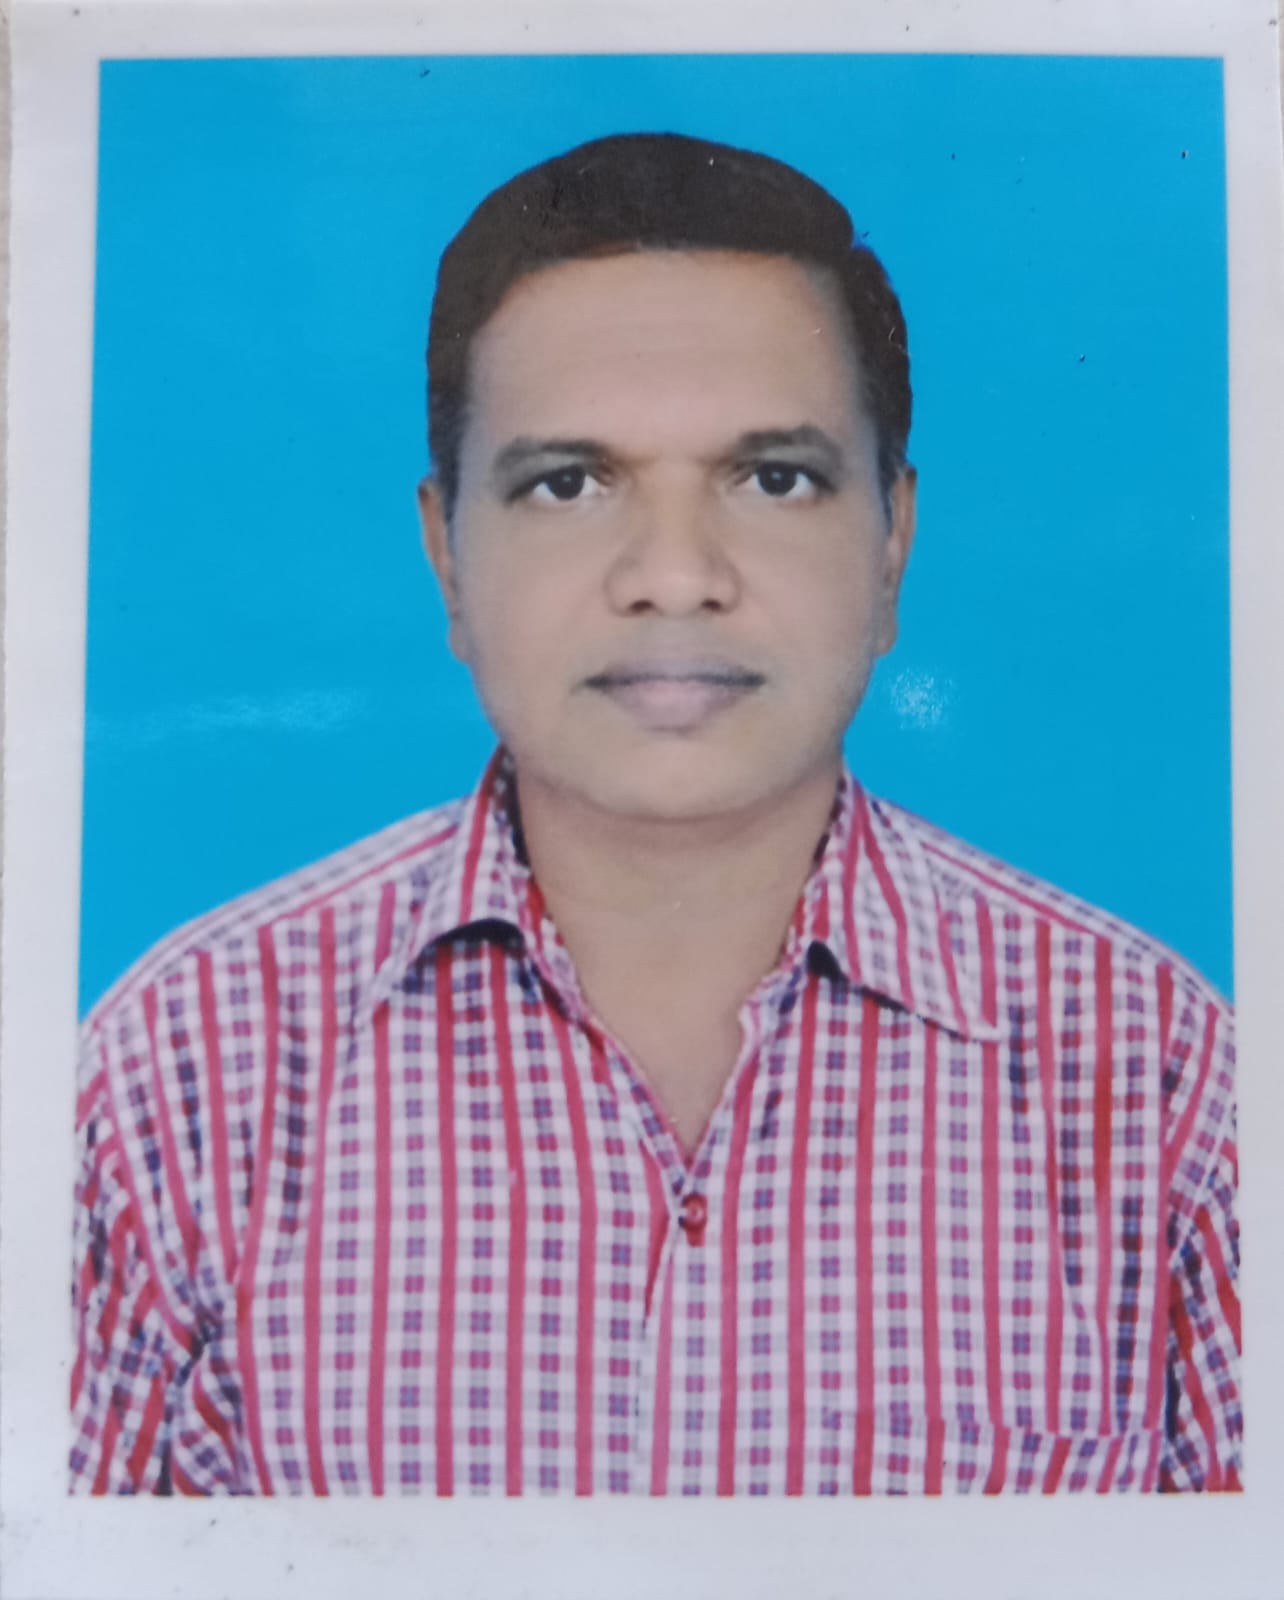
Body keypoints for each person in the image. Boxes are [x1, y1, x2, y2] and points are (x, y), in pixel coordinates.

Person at [70, 132, 1240, 1496]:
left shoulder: (1158, 1078)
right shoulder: (181, 1074)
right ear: (447, 555)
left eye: (775, 477)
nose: (675, 577)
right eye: (568, 482)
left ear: (892, 542)